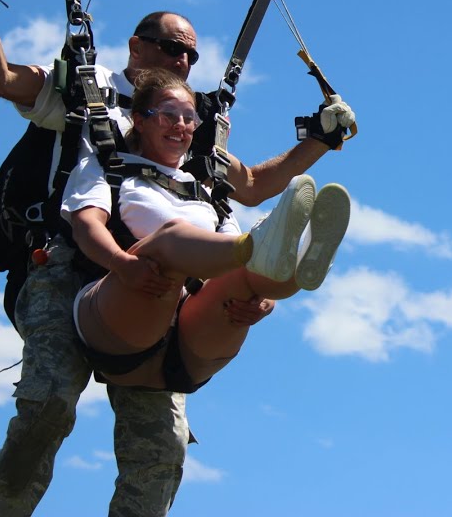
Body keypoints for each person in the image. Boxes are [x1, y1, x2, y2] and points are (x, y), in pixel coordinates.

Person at [0, 0, 355, 517]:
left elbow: (250, 185)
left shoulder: (188, 122)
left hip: (163, 286)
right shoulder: (82, 91)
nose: (184, 63)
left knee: (161, 447)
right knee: (48, 406)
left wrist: (319, 139)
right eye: (172, 48)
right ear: (137, 47)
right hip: (71, 265)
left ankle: (268, 260)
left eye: (192, 55)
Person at [64, 69, 350, 396]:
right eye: (169, 114)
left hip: (190, 348)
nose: (181, 125)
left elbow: (251, 195)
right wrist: (122, 263)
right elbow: (86, 225)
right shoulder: (110, 166)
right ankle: (259, 247)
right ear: (140, 120)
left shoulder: (205, 187)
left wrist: (263, 303)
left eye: (189, 118)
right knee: (171, 240)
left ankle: (301, 266)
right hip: (120, 323)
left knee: (246, 271)